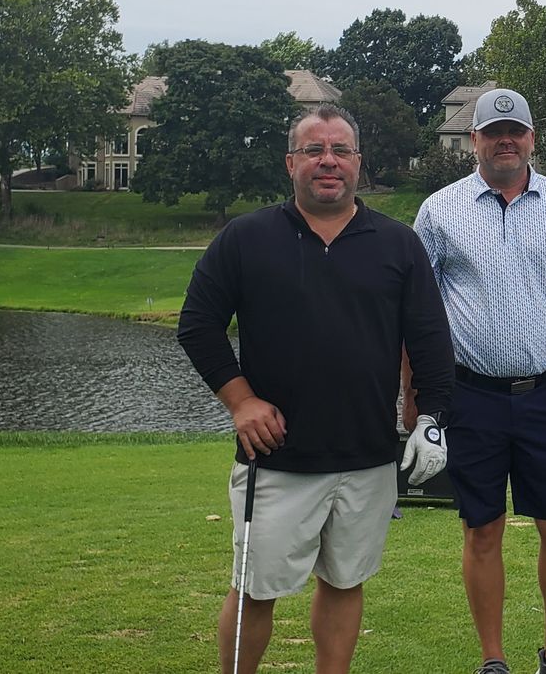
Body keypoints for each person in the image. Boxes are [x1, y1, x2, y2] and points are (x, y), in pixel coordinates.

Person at [177, 103, 456, 674]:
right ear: (291, 163)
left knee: (346, 582)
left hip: (367, 456)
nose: (328, 161)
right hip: (276, 457)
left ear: (358, 161)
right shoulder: (247, 237)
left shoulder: (398, 244)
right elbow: (198, 325)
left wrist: (432, 418)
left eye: (340, 150)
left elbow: (429, 341)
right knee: (255, 589)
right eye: (314, 150)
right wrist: (241, 401)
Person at [415, 87, 546, 674]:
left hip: (545, 392)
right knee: (482, 529)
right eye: (493, 132)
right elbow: (417, 308)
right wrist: (415, 395)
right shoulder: (439, 210)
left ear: (531, 138)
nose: (505, 141)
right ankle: (493, 659)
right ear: (474, 140)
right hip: (469, 393)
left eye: (515, 132)